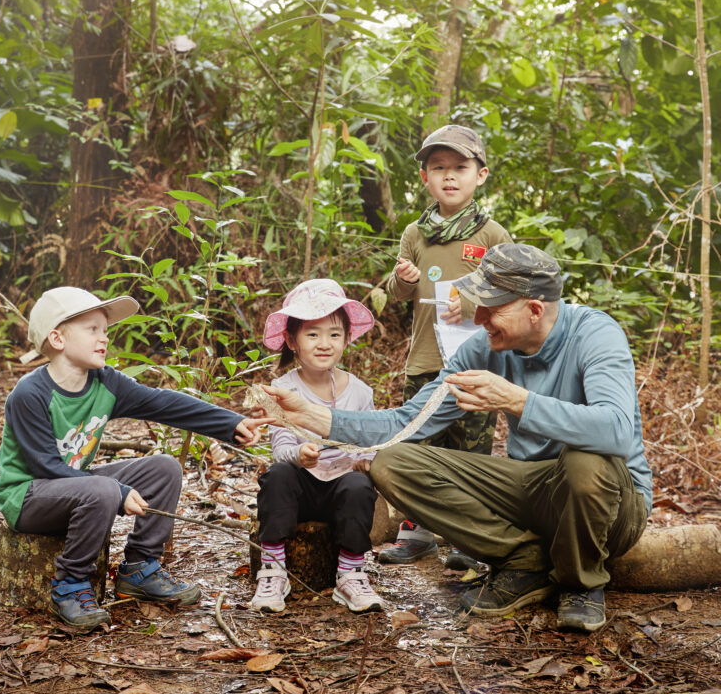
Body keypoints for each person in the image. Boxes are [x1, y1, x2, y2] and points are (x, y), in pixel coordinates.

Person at [255, 244, 652, 634]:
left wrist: (517, 401)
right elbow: (407, 422)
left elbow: (617, 430)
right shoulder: (484, 348)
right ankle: (525, 562)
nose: (478, 318)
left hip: (612, 506)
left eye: (491, 308)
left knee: (587, 459)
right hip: (534, 490)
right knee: (391, 463)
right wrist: (310, 414)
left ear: (534, 309)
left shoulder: (596, 334)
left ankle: (580, 583)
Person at [0, 286, 271, 631]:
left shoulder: (105, 383)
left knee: (164, 469)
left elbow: (164, 404)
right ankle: (69, 584)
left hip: (76, 487)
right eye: (92, 329)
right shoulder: (30, 394)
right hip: (28, 496)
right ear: (57, 338)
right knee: (104, 489)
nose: (104, 339)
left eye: (105, 331)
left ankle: (140, 568)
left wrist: (231, 423)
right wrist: (117, 490)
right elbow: (45, 467)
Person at [381, 124, 511, 568]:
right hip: (424, 361)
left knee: (470, 453)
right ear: (425, 178)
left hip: (476, 363)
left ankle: (466, 539)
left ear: (482, 174)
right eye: (439, 168)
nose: (449, 176)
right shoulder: (415, 234)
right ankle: (416, 533)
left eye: (460, 167)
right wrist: (403, 279)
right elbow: (397, 294)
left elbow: (510, 293)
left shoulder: (492, 235)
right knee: (417, 448)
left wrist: (472, 303)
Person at [250, 278, 383, 616]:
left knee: (359, 486)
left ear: (348, 338)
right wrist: (299, 455)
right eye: (312, 334)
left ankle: (350, 574)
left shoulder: (360, 392)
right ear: (292, 341)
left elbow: (370, 441)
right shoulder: (283, 388)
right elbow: (280, 447)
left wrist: (365, 460)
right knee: (277, 475)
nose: (325, 344)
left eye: (334, 334)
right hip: (300, 489)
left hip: (342, 488)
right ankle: (273, 570)